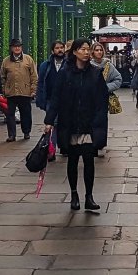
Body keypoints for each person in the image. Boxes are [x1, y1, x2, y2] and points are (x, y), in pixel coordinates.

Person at [45, 39, 110, 213]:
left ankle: (89, 196)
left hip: (89, 124)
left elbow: (102, 99)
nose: (86, 52)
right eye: (83, 49)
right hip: (70, 123)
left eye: (88, 49)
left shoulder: (95, 73)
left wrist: (98, 121)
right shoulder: (65, 73)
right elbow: (56, 98)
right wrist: (49, 121)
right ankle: (74, 194)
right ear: (74, 52)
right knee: (72, 160)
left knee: (89, 161)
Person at [0, 38, 37, 142]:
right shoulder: (6, 61)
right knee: (10, 114)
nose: (17, 48)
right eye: (15, 46)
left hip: (25, 92)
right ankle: (12, 135)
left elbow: (34, 76)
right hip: (11, 92)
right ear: (11, 48)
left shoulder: (28, 59)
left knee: (26, 113)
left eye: (19, 46)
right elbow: (2, 77)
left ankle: (26, 132)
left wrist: (33, 90)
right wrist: (4, 89)